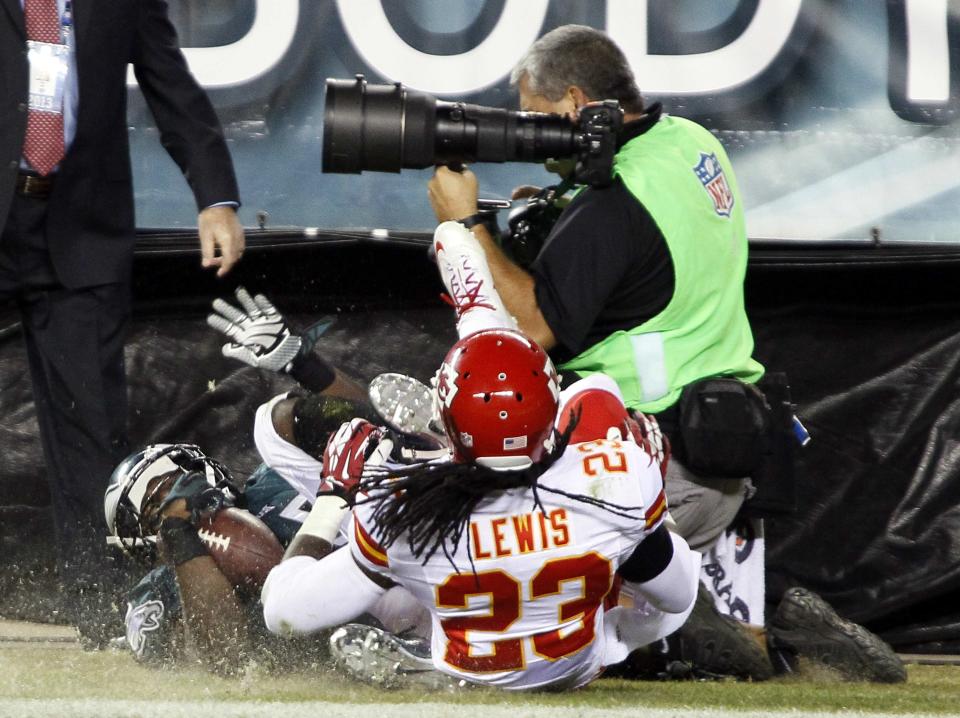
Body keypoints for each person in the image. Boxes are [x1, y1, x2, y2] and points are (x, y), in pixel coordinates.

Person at [425, 25, 904, 683]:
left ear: (572, 104)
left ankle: (687, 631)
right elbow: (646, 265)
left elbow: (530, 329)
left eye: (536, 120)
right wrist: (562, 211)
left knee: (526, 584)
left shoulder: (616, 201)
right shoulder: (690, 143)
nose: (529, 137)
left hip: (648, 469)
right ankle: (780, 607)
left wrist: (467, 223)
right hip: (727, 450)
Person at [261, 327, 703, 691]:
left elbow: (283, 613)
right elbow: (679, 595)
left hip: (468, 658)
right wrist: (654, 510)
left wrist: (333, 498)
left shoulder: (403, 506)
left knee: (397, 576)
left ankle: (440, 663)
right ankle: (617, 633)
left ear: (449, 425)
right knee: (599, 397)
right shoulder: (618, 474)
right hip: (577, 664)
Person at [1, 0, 245, 646]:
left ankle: (101, 615)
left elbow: (173, 88)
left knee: (91, 429)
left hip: (79, 227)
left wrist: (215, 197)